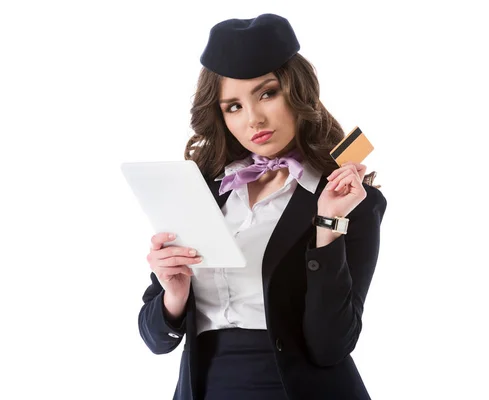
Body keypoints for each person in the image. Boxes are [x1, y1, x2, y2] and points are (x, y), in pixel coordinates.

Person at [138, 13, 387, 400]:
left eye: (267, 93)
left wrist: (328, 224)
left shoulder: (352, 201)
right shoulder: (201, 190)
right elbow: (156, 339)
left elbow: (331, 345)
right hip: (207, 388)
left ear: (298, 93)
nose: (253, 118)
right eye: (233, 106)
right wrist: (173, 294)